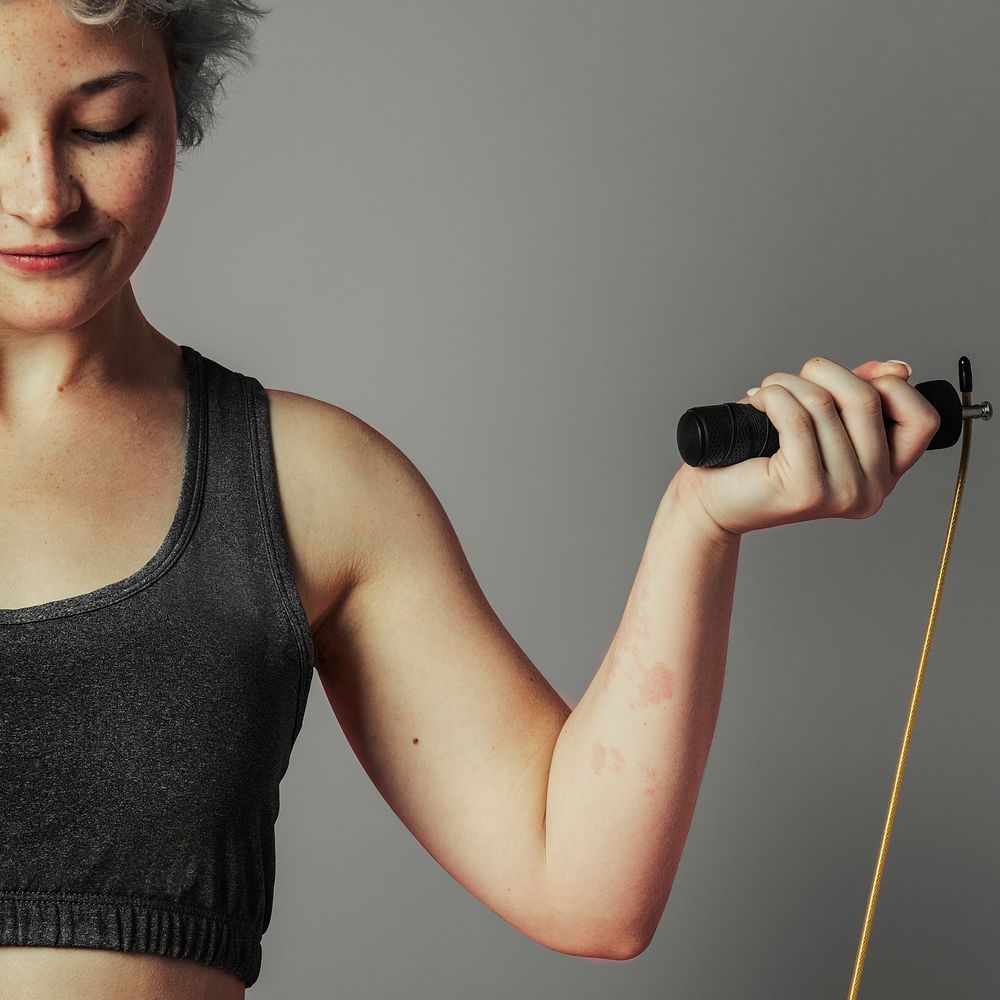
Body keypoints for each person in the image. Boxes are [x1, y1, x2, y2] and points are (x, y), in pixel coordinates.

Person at [0, 2, 943, 998]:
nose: (42, 194)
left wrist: (698, 521)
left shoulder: (306, 483)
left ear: (176, 102)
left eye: (103, 125)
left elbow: (583, 884)